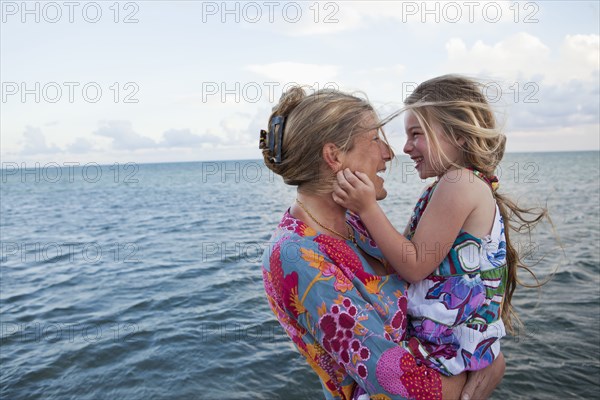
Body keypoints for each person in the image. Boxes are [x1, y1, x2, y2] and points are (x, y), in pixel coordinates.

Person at [260, 85, 505, 400]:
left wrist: (483, 349)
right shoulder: (295, 254)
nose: (390, 153)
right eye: (376, 139)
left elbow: (429, 279)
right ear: (333, 156)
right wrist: (484, 372)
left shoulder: (355, 224)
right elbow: (395, 381)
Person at [333, 75, 547, 377]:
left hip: (442, 351)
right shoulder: (454, 185)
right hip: (447, 346)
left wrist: (367, 208)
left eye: (416, 134)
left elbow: (414, 265)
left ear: (458, 134)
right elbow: (405, 255)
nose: (405, 147)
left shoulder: (458, 185)